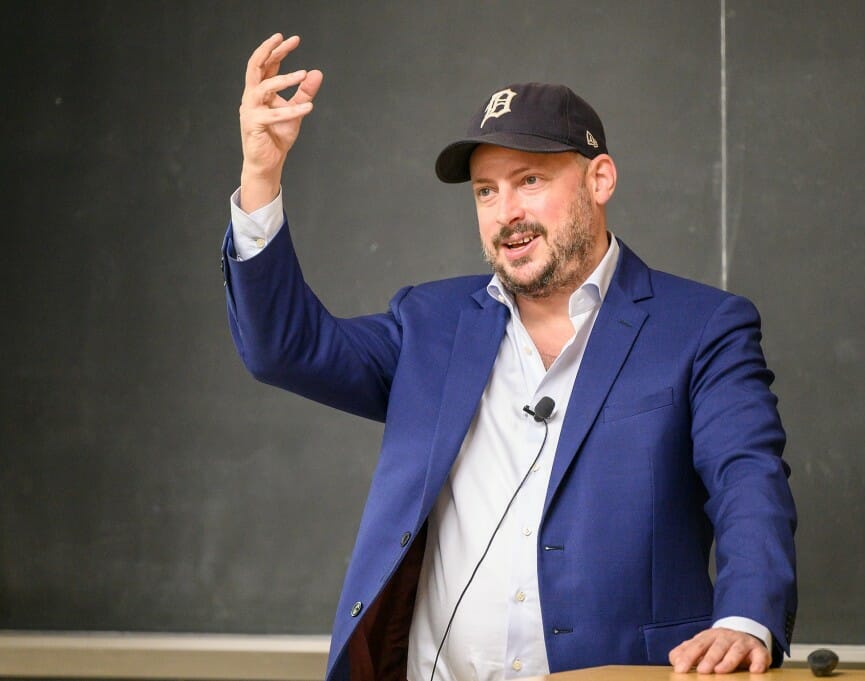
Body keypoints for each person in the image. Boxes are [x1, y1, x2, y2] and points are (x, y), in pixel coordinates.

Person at [223, 33, 797, 681]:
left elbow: (748, 481)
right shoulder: (429, 322)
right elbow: (283, 349)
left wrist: (746, 616)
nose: (507, 213)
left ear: (599, 178)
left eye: (529, 180)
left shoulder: (702, 328)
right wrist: (261, 176)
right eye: (485, 191)